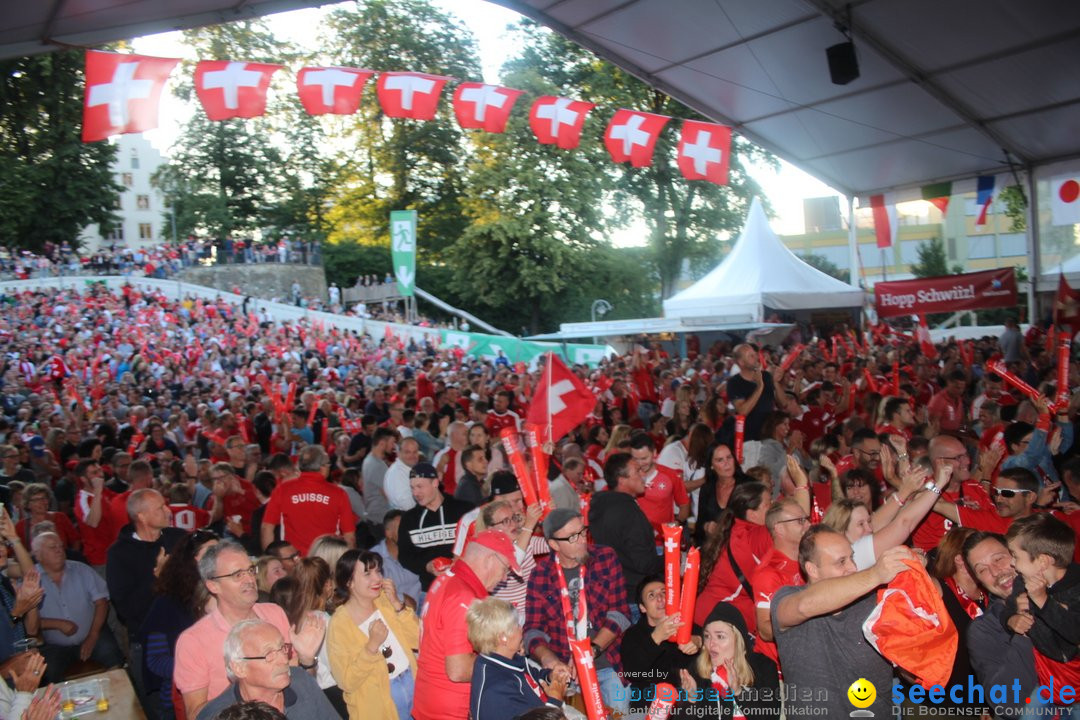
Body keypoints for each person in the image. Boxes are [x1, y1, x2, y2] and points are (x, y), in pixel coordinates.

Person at [772, 525, 916, 718]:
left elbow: (909, 667)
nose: (853, 567)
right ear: (812, 569)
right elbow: (805, 605)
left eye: (852, 558)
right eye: (841, 562)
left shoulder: (876, 602)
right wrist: (876, 574)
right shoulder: (788, 598)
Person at [173, 540, 326, 720]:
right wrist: (250, 687)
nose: (249, 579)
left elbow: (298, 685)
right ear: (213, 585)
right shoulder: (194, 640)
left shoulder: (274, 613)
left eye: (250, 570)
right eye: (237, 575)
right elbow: (196, 715)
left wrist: (307, 661)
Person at [524, 509, 631, 718]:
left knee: (620, 716)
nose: (582, 540)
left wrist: (590, 651)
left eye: (583, 532)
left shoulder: (604, 558)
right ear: (554, 544)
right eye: (573, 537)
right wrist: (549, 660)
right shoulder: (541, 574)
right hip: (569, 676)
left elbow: (620, 613)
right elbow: (532, 630)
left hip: (609, 665)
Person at [413, 531, 519, 720]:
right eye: (505, 570)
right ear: (490, 559)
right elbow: (458, 669)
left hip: (431, 700)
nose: (504, 578)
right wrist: (505, 657)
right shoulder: (464, 598)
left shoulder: (447, 578)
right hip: (451, 711)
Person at [328, 549, 419, 720]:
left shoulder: (385, 601)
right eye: (367, 574)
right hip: (378, 704)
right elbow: (346, 681)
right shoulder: (339, 624)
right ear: (349, 582)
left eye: (378, 571)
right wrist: (371, 647)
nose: (377, 578)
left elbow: (419, 640)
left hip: (412, 681)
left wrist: (398, 605)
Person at [140, 530, 219, 720]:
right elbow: (156, 661)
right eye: (210, 553)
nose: (217, 558)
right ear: (190, 561)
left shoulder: (227, 595)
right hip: (181, 700)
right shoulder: (168, 603)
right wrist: (203, 665)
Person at [1002, 512, 1080, 701]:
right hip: (1046, 675)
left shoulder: (1076, 588)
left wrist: (1043, 601)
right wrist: (1011, 619)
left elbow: (1075, 632)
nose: (1012, 563)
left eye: (1015, 556)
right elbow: (1008, 609)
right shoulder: (1023, 581)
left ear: (1043, 561)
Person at [195, 620, 340, 720]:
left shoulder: (301, 681)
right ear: (239, 668)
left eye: (283, 648)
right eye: (269, 654)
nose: (284, 660)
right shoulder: (219, 715)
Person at [963, 531, 1039, 716]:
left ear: (1016, 555)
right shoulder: (984, 630)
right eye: (982, 570)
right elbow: (1007, 704)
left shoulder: (1062, 593)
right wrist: (1024, 631)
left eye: (999, 559)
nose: (995, 572)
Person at [33, 531, 124, 683]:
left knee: (114, 658)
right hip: (55, 645)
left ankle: (119, 700)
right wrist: (57, 624)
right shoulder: (32, 579)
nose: (59, 550)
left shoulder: (81, 570)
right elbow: (27, 621)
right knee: (47, 673)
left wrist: (93, 635)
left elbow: (102, 603)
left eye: (61, 546)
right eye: (52, 547)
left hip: (92, 633)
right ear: (38, 554)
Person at [467, 597, 568, 720]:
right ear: (503, 638)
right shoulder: (497, 690)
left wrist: (551, 676)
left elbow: (534, 677)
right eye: (517, 625)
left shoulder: (507, 658)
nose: (522, 628)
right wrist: (555, 701)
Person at [678, 602, 782, 718]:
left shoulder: (763, 666)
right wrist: (692, 698)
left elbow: (771, 716)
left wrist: (739, 692)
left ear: (738, 639)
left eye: (720, 636)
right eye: (707, 636)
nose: (711, 644)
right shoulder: (698, 670)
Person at [695, 482, 772, 631]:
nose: (774, 506)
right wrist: (802, 485)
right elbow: (792, 523)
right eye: (769, 504)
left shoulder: (736, 529)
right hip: (716, 624)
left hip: (708, 617)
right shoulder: (753, 537)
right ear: (752, 514)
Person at [587, 452, 662, 607]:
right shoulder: (628, 513)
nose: (643, 474)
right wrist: (673, 558)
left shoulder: (601, 505)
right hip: (634, 595)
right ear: (622, 480)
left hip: (613, 591)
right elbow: (644, 563)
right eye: (637, 471)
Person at [619, 575, 700, 714]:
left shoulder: (688, 627)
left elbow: (715, 640)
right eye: (651, 596)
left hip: (688, 706)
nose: (660, 598)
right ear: (642, 608)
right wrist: (656, 637)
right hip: (648, 706)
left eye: (664, 593)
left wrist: (699, 641)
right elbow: (632, 672)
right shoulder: (633, 635)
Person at [260, 445, 356, 555]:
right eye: (328, 464)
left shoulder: (283, 490)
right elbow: (350, 537)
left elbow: (266, 528)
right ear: (323, 468)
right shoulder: (339, 494)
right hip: (327, 560)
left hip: (294, 562)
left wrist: (270, 562)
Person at [398, 462, 473, 592]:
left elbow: (479, 544)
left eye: (420, 486)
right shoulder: (409, 519)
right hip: (430, 591)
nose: (416, 493)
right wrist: (426, 566)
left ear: (435, 483)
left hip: (465, 587)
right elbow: (405, 556)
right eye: (412, 488)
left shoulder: (464, 511)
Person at [724, 344, 782, 441]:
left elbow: (782, 403)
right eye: (751, 356)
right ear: (741, 362)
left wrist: (775, 382)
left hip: (771, 435)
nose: (756, 357)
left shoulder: (766, 376)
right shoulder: (734, 383)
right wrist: (760, 387)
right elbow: (742, 411)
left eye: (755, 354)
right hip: (751, 439)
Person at [370, 511, 423, 609]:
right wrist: (403, 599)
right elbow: (374, 592)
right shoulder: (374, 558)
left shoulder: (419, 551)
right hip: (392, 613)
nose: (409, 532)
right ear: (388, 533)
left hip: (423, 608)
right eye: (402, 528)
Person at [361, 428, 397, 527]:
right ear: (382, 443)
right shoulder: (377, 465)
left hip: (376, 516)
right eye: (392, 442)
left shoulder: (369, 459)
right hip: (381, 519)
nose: (393, 446)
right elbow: (388, 494)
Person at [383, 437, 421, 512]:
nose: (412, 456)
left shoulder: (407, 469)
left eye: (415, 452)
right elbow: (407, 505)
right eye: (407, 452)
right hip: (406, 518)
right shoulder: (397, 473)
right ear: (399, 453)